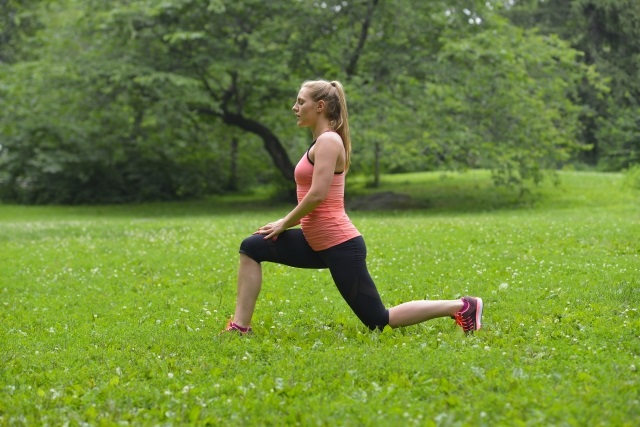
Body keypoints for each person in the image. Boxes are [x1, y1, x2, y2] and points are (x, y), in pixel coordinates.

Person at [224, 79, 483, 335]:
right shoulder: (321, 142)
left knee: (378, 320)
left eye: (301, 102)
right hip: (315, 241)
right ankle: (240, 327)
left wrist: (284, 223)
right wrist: (287, 223)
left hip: (340, 245)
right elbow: (316, 200)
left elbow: (317, 195)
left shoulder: (328, 141)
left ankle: (462, 306)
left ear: (320, 106)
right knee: (252, 247)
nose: (295, 107)